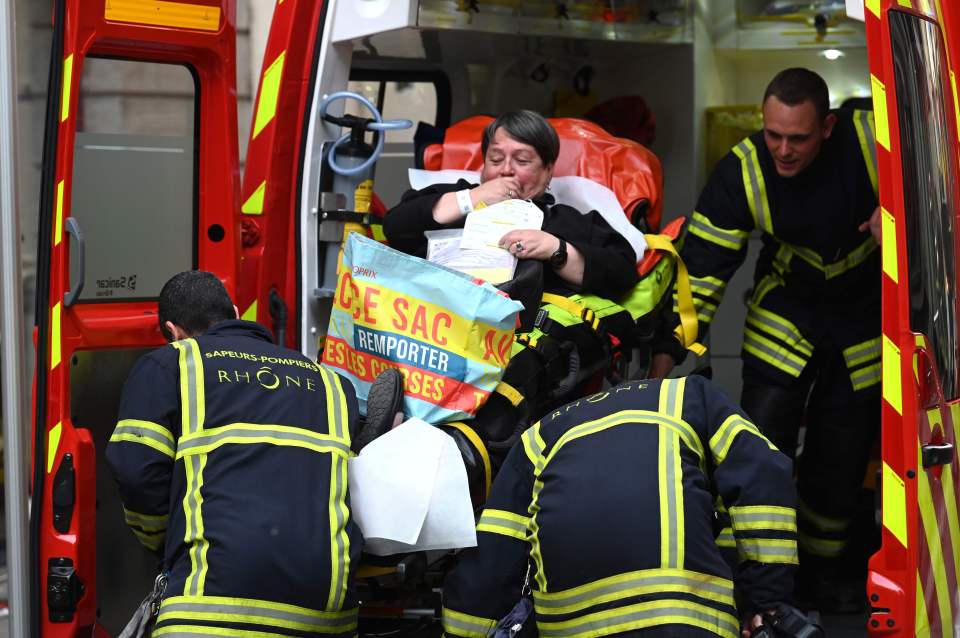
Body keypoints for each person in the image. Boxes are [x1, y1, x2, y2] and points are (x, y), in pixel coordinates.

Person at [651, 68, 880, 611]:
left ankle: (824, 575)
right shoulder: (744, 170)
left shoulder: (874, 141)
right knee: (759, 445)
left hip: (863, 317)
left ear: (827, 126)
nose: (782, 149)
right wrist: (665, 362)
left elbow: (942, 161)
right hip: (786, 313)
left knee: (841, 455)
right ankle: (755, 581)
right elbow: (703, 272)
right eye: (773, 133)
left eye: (797, 138)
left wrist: (901, 208)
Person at [106, 270, 361, 637]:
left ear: (173, 331)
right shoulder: (331, 383)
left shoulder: (170, 364)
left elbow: (136, 470)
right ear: (237, 312)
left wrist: (166, 542)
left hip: (208, 609)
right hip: (323, 614)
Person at [442, 375, 798, 638]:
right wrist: (765, 603)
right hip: (687, 620)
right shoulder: (691, 396)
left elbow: (493, 556)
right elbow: (764, 473)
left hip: (573, 629)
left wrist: (461, 634)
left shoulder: (539, 436)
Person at [383, 109, 640, 301]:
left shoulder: (564, 220)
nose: (506, 170)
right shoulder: (451, 196)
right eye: (495, 159)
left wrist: (555, 249)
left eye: (522, 160)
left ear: (548, 170)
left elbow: (622, 272)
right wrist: (468, 199)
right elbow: (394, 228)